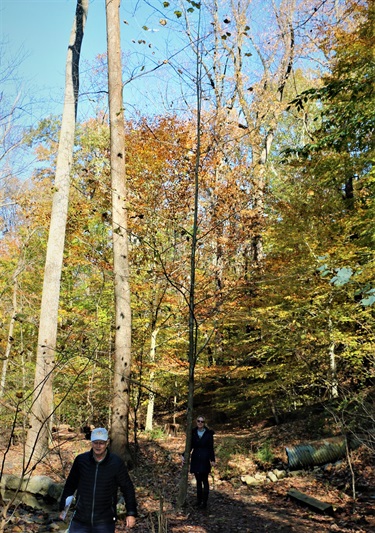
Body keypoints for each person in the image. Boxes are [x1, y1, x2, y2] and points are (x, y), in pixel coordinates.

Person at [59, 427, 137, 532]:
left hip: (105, 522)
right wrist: (62, 508)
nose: (98, 446)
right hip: (80, 520)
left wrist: (131, 513)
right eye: (95, 442)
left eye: (101, 443)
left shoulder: (116, 463)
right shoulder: (81, 461)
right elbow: (70, 485)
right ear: (91, 442)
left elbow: (127, 488)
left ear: (107, 443)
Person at [185, 415, 216, 509]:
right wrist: (184, 455)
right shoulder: (193, 432)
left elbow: (211, 448)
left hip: (205, 458)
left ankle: (204, 502)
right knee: (198, 480)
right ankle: (199, 501)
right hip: (196, 457)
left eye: (202, 421)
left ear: (204, 423)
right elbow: (189, 446)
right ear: (196, 422)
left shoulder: (208, 433)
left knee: (205, 480)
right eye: (198, 421)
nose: (200, 423)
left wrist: (212, 459)